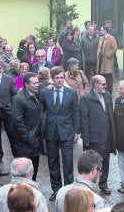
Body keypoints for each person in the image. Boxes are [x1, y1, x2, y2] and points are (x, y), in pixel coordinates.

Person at [41, 66, 80, 201]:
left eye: (61, 78)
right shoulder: (46, 93)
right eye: (56, 78)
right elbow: (41, 109)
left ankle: (68, 190)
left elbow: (76, 112)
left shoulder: (72, 93)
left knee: (68, 162)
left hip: (67, 132)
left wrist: (77, 131)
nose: (59, 80)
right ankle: (56, 190)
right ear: (52, 79)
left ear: (64, 78)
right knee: (53, 163)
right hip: (51, 132)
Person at [80, 75, 116, 195]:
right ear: (96, 84)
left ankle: (103, 183)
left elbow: (110, 115)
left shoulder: (107, 96)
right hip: (94, 138)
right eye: (103, 84)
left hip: (106, 136)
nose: (106, 86)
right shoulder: (86, 98)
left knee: (105, 161)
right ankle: (88, 185)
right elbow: (83, 119)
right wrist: (86, 138)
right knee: (92, 162)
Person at [12, 72, 44, 180]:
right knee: (24, 173)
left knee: (33, 171)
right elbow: (17, 122)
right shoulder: (19, 99)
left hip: (34, 141)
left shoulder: (36, 95)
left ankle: (32, 189)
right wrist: (28, 137)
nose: (37, 85)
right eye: (34, 83)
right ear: (26, 84)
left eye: (37, 82)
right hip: (25, 144)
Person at [0, 61, 17, 166]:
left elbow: (14, 94)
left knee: (12, 133)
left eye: (0, 68)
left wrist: (12, 106)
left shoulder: (9, 79)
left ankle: (16, 154)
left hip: (8, 111)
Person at [96, 26, 117, 93]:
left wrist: (108, 55)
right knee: (101, 75)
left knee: (108, 75)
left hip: (107, 60)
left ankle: (109, 90)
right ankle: (102, 89)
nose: (100, 31)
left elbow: (114, 48)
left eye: (101, 30)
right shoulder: (101, 38)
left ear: (105, 31)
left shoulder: (111, 38)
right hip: (101, 60)